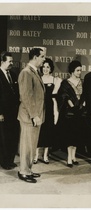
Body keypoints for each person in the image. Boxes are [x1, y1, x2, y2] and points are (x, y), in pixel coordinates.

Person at [17, 47, 46, 183]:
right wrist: (34, 115)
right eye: (42, 56)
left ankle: (28, 169)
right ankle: (23, 171)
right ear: (35, 57)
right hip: (29, 116)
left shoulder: (34, 72)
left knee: (32, 145)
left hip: (36, 116)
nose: (44, 59)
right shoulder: (26, 72)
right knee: (27, 145)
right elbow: (26, 96)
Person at [56, 60, 86, 168]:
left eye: (80, 70)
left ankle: (74, 157)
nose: (79, 73)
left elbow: (85, 95)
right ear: (72, 71)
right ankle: (69, 158)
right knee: (69, 135)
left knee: (77, 135)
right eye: (77, 70)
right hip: (69, 114)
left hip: (80, 112)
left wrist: (82, 104)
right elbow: (62, 96)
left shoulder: (82, 82)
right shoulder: (65, 83)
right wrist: (71, 104)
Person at [33, 58, 61, 164]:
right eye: (43, 66)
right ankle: (36, 156)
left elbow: (55, 97)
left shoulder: (55, 80)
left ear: (51, 68)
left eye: (47, 67)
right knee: (39, 131)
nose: (45, 69)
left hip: (50, 108)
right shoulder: (38, 78)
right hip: (40, 108)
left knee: (48, 131)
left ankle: (45, 155)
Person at [0, 51, 19, 170]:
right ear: (2, 62)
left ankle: (10, 160)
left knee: (12, 136)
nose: (11, 63)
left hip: (13, 112)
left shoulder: (13, 73)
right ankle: (4, 161)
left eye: (12, 61)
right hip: (3, 113)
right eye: (9, 61)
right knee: (3, 138)